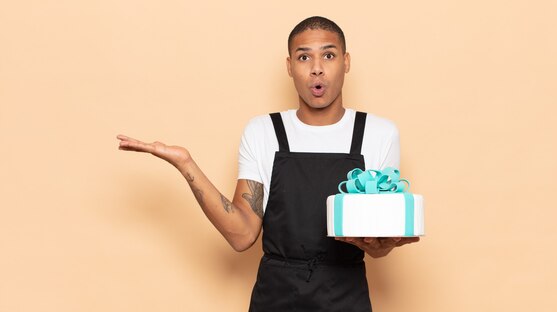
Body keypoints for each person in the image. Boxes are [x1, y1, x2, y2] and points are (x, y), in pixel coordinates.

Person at [117, 16, 420, 312]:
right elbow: (242, 234)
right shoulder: (263, 132)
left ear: (346, 62)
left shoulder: (379, 134)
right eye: (304, 57)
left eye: (328, 55)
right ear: (290, 66)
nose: (317, 69)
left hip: (345, 296)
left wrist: (380, 245)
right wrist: (186, 165)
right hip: (276, 297)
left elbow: (379, 241)